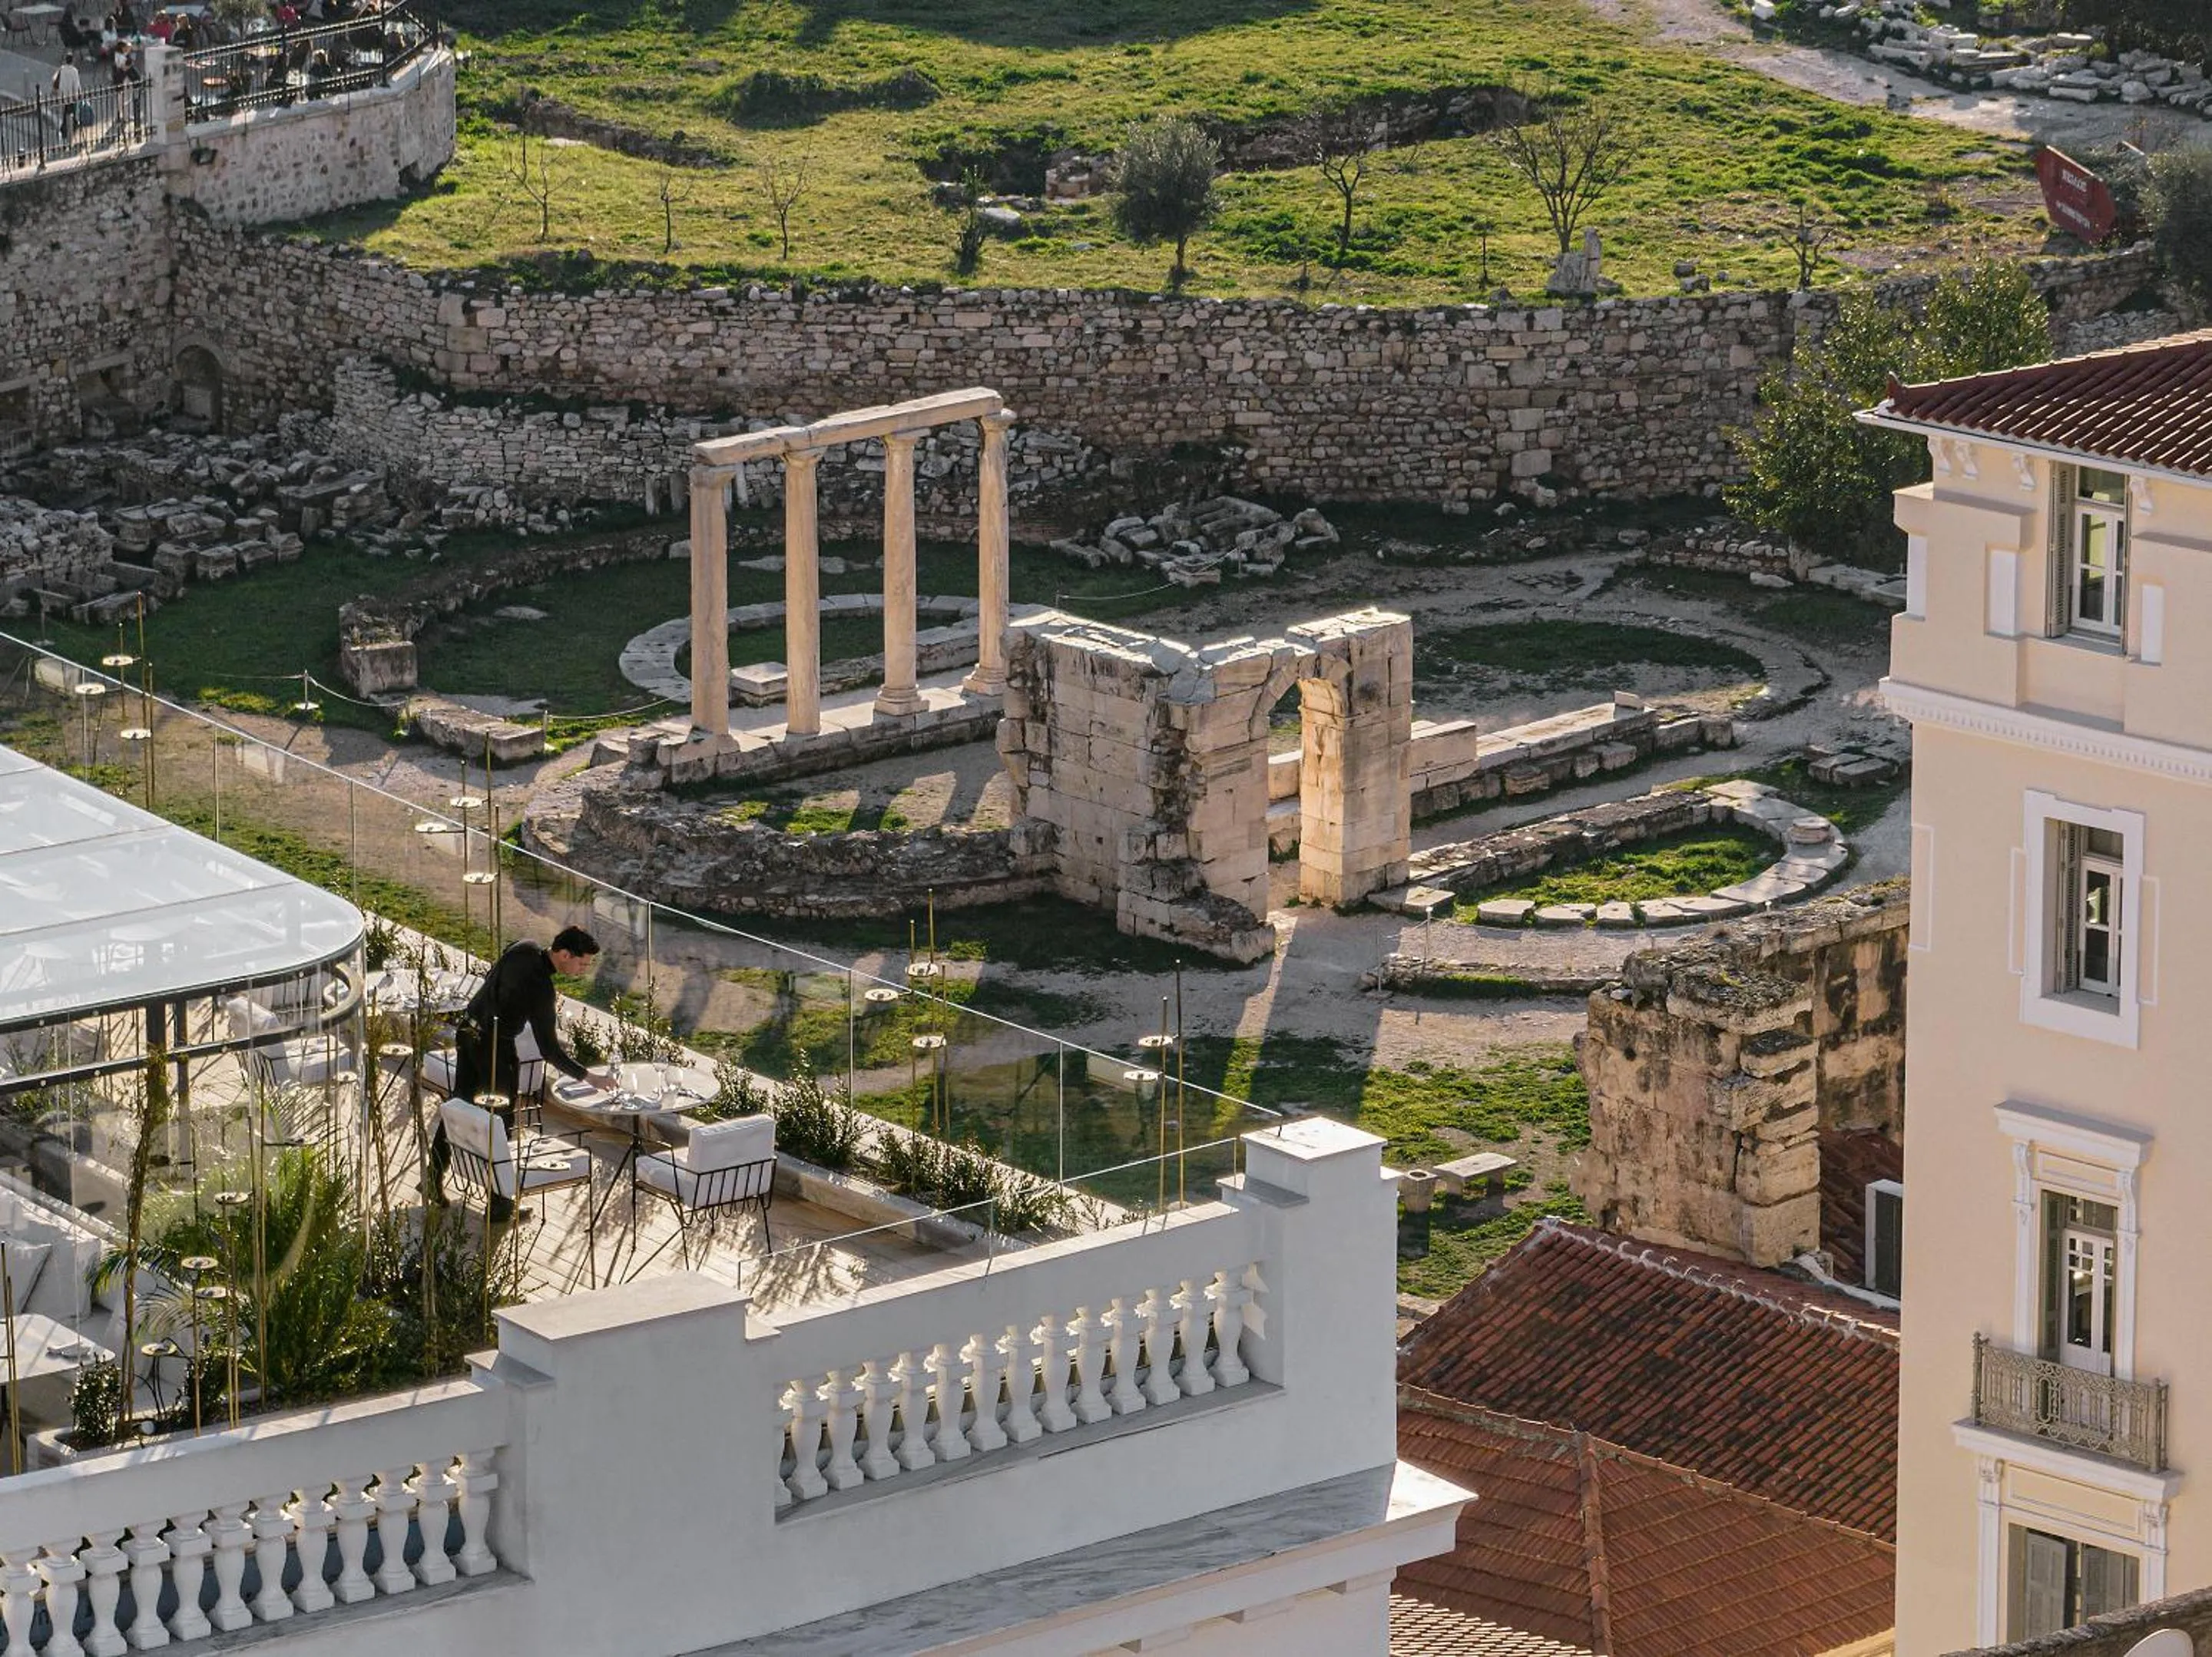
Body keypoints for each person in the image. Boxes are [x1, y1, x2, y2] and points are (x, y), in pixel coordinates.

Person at [427, 926, 612, 1219]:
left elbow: (497, 976)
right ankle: (500, 1206)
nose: (584, 969)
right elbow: (549, 1050)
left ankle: (432, 1177)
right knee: (500, 1121)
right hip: (494, 1048)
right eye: (582, 962)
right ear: (565, 955)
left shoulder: (523, 947)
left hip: (467, 1031)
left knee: (459, 1105)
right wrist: (590, 1078)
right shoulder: (541, 989)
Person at [51, 55, 82, 138]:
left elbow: (57, 81)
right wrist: (77, 94)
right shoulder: (74, 71)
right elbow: (76, 84)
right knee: (72, 112)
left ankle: (66, 129)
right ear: (73, 61)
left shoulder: (62, 69)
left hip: (63, 94)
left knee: (65, 112)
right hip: (72, 95)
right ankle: (70, 129)